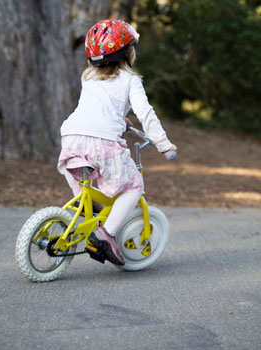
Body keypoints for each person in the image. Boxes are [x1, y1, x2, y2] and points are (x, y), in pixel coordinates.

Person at [58, 19, 177, 266]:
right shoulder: (131, 80)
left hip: (71, 138)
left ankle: (85, 204)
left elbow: (97, 108)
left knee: (84, 183)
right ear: (127, 53)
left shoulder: (89, 78)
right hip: (103, 143)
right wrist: (164, 144)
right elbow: (146, 114)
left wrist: (121, 121)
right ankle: (105, 235)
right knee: (134, 185)